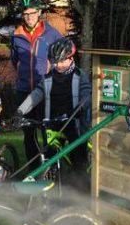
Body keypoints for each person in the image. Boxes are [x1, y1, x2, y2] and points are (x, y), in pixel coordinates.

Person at [15, 37, 91, 189]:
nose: (58, 65)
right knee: (49, 157)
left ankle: (83, 192)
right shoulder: (47, 78)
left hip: (74, 122)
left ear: (71, 58)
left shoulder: (79, 75)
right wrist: (20, 110)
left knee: (79, 160)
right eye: (55, 62)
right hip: (53, 123)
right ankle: (51, 187)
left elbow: (87, 93)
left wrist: (81, 107)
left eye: (62, 61)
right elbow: (36, 95)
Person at [10, 0, 62, 171]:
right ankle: (33, 169)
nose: (29, 17)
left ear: (39, 12)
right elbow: (14, 60)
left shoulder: (51, 34)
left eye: (32, 13)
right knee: (28, 133)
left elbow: (61, 58)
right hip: (24, 90)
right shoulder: (16, 36)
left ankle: (52, 168)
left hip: (45, 90)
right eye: (25, 14)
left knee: (48, 132)